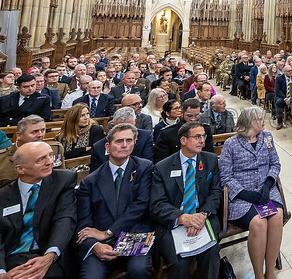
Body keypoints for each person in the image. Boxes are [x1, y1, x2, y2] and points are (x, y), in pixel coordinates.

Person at [0, 142, 77, 279]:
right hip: (13, 257)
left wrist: (49, 257)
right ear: (20, 169)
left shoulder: (63, 181)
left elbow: (64, 220)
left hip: (50, 252)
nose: (50, 161)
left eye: (50, 155)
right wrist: (0, 275)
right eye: (41, 159)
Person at [76, 123, 154, 278]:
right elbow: (83, 223)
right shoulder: (90, 181)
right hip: (102, 243)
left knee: (138, 270)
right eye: (119, 141)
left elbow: (141, 205)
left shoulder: (144, 168)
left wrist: (108, 232)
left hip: (134, 236)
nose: (125, 145)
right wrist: (95, 245)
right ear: (107, 146)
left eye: (129, 141)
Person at [151, 122, 222, 279]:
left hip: (204, 218)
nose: (202, 140)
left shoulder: (210, 160)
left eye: (203, 136)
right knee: (178, 263)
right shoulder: (163, 167)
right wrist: (183, 218)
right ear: (183, 140)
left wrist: (201, 216)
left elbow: (216, 192)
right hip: (174, 223)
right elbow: (157, 204)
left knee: (211, 254)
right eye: (197, 137)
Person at [220, 107, 283, 279]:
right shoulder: (231, 144)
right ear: (248, 122)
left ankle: (269, 271)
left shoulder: (267, 138)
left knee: (277, 216)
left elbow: (275, 164)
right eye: (259, 120)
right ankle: (258, 275)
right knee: (258, 223)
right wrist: (246, 194)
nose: (263, 122)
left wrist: (267, 185)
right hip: (242, 196)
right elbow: (225, 176)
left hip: (265, 191)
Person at [0, 115, 66, 204]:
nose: (40, 135)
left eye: (43, 130)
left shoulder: (54, 149)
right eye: (35, 132)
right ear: (19, 135)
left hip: (48, 203)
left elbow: (61, 181)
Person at [89, 108, 154, 171]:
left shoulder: (145, 137)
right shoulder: (98, 147)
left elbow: (146, 166)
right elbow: (96, 176)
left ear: (135, 122)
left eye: (129, 127)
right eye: (121, 128)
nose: (125, 132)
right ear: (112, 126)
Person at [273, 65, 292, 130]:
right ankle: (280, 122)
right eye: (289, 71)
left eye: (291, 70)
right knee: (278, 102)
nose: (291, 72)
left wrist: (290, 98)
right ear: (284, 72)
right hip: (282, 97)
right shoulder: (279, 79)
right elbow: (277, 90)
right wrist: (285, 98)